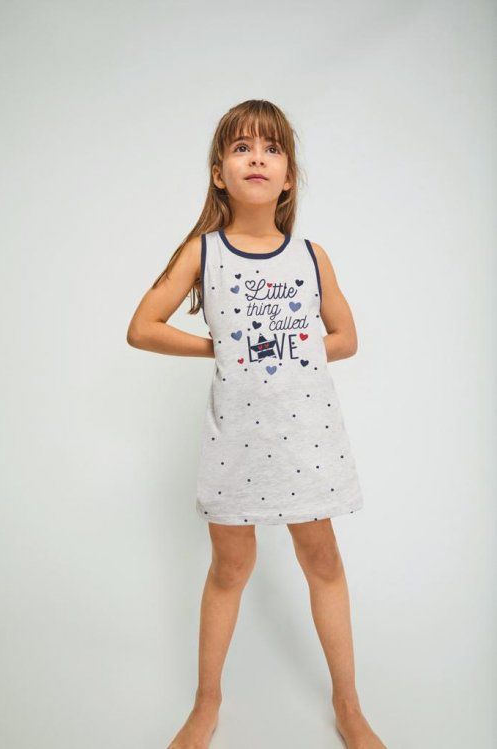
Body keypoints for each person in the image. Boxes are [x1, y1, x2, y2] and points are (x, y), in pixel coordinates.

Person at [127, 99, 387, 749]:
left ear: (289, 176)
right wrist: (220, 348)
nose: (257, 158)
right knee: (229, 568)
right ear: (219, 173)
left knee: (322, 560)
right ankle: (206, 702)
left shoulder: (311, 256)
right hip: (237, 442)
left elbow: (346, 336)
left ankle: (348, 705)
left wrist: (294, 346)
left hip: (308, 438)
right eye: (242, 147)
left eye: (271, 148)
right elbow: (142, 327)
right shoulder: (203, 253)